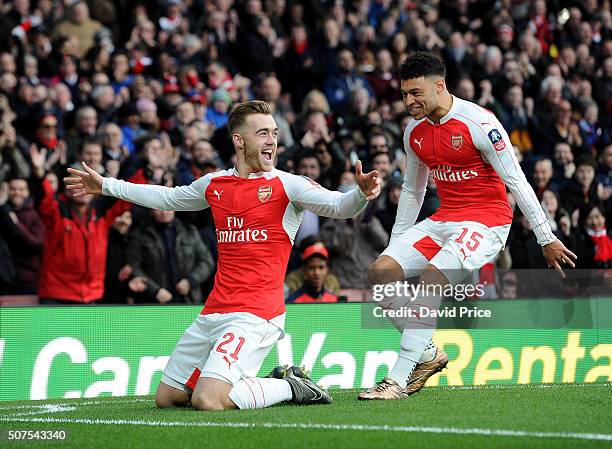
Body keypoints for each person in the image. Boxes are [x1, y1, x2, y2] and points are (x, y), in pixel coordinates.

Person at [65, 100, 381, 411]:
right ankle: (248, 383)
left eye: (273, 133)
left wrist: (360, 194)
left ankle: (290, 385)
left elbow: (340, 206)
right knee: (167, 398)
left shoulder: (288, 185)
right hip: (213, 311)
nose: (272, 140)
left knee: (208, 400)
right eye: (262, 134)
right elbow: (168, 197)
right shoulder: (216, 184)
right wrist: (107, 185)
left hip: (256, 315)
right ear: (239, 140)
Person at [359, 52, 576, 400]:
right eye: (404, 94)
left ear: (439, 85)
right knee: (380, 274)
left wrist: (545, 236)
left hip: (488, 221)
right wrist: (396, 244)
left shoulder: (479, 122)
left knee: (431, 278)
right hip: (446, 218)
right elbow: (413, 191)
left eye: (415, 93)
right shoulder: (414, 132)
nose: (408, 101)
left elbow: (517, 181)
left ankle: (398, 378)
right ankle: (428, 354)